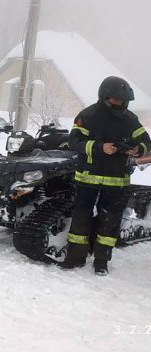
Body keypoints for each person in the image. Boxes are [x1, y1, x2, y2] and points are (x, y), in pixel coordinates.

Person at [59, 76, 150, 275]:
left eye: (122, 101)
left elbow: (146, 142)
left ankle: (101, 261)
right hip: (87, 178)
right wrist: (100, 147)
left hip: (117, 181)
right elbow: (74, 141)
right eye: (115, 100)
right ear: (105, 96)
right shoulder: (88, 115)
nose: (119, 104)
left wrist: (137, 150)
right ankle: (75, 257)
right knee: (80, 219)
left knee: (109, 222)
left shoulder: (130, 119)